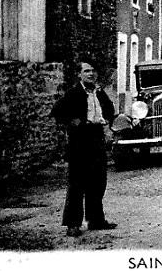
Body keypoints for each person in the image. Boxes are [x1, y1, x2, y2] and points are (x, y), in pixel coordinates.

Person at [50, 61, 117, 237]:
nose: (91, 74)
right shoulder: (73, 93)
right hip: (80, 140)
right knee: (77, 182)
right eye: (87, 71)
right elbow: (57, 111)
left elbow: (110, 111)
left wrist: (109, 118)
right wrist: (73, 121)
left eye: (94, 71)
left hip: (97, 137)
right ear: (79, 74)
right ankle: (73, 224)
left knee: (98, 181)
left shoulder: (99, 92)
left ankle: (96, 220)